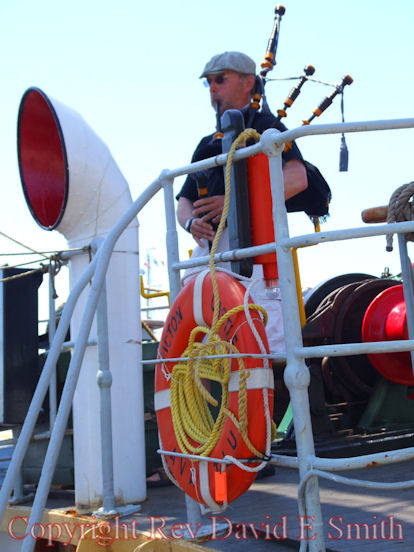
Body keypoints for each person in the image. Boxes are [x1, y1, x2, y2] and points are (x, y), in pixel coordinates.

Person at [176, 51, 308, 352]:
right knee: (203, 342)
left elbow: (297, 178)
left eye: (220, 80)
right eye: (209, 82)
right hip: (209, 253)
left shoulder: (268, 128)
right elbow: (184, 201)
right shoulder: (207, 144)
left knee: (267, 342)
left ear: (249, 82)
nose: (212, 88)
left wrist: (232, 203)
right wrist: (190, 222)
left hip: (258, 251)